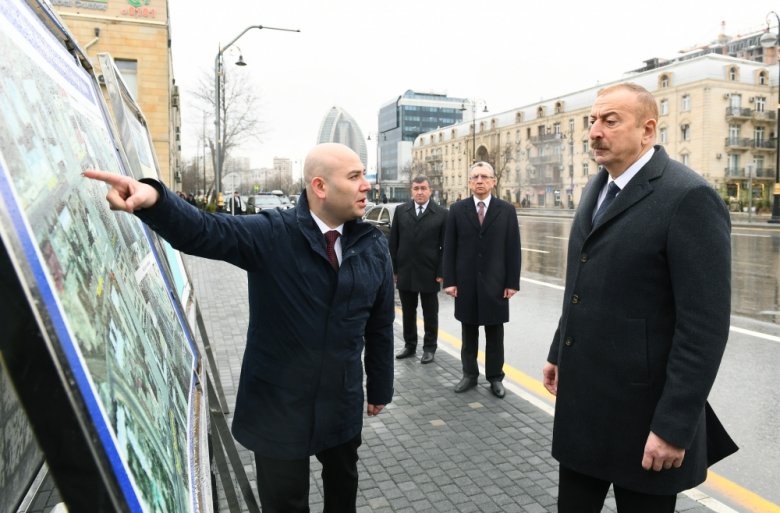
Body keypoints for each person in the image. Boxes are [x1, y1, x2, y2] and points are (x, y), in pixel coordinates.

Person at [84, 142, 395, 513]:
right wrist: (155, 199)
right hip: (279, 407)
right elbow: (205, 230)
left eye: (364, 175)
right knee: (285, 504)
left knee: (343, 489)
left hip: (340, 400)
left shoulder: (372, 245)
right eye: (355, 176)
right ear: (320, 186)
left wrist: (379, 386)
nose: (366, 185)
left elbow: (380, 325)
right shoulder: (274, 234)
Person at [542, 83, 737, 513]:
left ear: (647, 131)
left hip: (644, 419)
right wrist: (559, 351)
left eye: (610, 121)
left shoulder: (689, 198)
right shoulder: (597, 187)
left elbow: (703, 328)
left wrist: (673, 427)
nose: (595, 131)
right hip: (584, 407)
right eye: (592, 120)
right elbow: (582, 283)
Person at [442, 162, 521, 398]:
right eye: (475, 177)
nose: (479, 181)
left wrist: (511, 283)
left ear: (493, 181)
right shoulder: (457, 210)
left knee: (495, 333)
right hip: (466, 283)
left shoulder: (506, 210)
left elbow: (513, 248)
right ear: (469, 182)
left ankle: (495, 378)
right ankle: (469, 375)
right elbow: (450, 248)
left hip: (496, 283)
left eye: (484, 177)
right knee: (469, 332)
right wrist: (450, 281)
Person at [389, 175, 447, 364]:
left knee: (430, 313)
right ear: (411, 191)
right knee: (408, 310)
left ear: (430, 190)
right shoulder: (400, 211)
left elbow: (445, 246)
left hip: (430, 272)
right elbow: (394, 242)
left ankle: (429, 348)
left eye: (423, 188)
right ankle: (410, 345)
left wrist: (441, 272)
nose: (420, 192)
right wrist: (394, 269)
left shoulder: (441, 213)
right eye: (416, 188)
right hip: (406, 271)